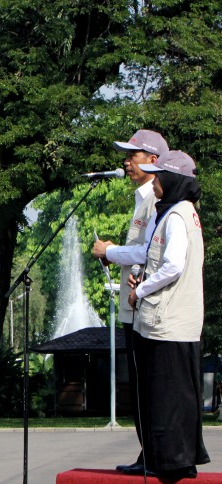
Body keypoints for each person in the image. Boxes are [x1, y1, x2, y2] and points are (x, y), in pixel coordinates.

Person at [93, 150, 209, 479]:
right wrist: (130, 266)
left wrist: (140, 290)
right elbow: (150, 255)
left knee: (167, 396)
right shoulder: (179, 212)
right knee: (179, 395)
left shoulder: (175, 216)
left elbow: (173, 265)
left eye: (158, 177)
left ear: (172, 180)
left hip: (168, 323)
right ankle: (180, 460)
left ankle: (170, 464)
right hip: (180, 322)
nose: (153, 182)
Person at [94, 129, 166, 474]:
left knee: (146, 384)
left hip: (144, 304)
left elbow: (149, 252)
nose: (125, 161)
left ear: (153, 161)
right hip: (133, 303)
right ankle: (147, 452)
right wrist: (115, 256)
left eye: (133, 155)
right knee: (138, 384)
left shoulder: (155, 198)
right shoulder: (144, 198)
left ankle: (154, 454)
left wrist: (111, 251)